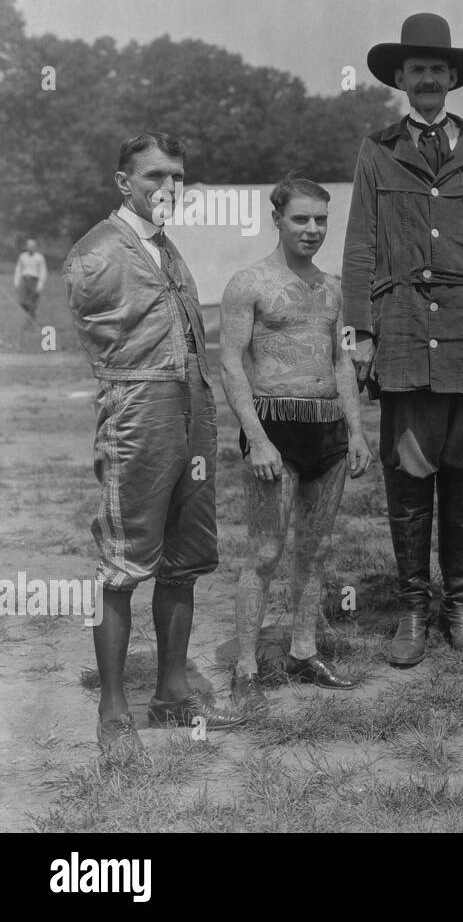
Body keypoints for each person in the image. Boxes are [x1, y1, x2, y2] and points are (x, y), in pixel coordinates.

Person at [342, 13, 463, 665]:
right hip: (403, 335)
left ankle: (459, 604)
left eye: (436, 69)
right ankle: (414, 609)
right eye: (414, 69)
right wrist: (360, 333)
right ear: (400, 78)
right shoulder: (377, 149)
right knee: (409, 475)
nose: (426, 79)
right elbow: (360, 243)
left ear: (452, 78)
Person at [64, 132, 244, 756]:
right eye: (155, 176)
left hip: (192, 408)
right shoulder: (98, 249)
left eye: (178, 178)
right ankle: (114, 711)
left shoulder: (169, 249)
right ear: (124, 182)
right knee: (124, 559)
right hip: (139, 409)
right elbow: (99, 330)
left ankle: (171, 693)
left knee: (185, 557)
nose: (169, 188)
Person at [221, 176, 374, 713]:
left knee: (317, 548)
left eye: (321, 220)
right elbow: (231, 363)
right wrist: (257, 439)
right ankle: (245, 667)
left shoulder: (334, 289)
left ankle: (303, 651)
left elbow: (341, 363)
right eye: (301, 219)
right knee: (265, 551)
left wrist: (356, 431)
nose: (312, 230)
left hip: (328, 426)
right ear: (278, 220)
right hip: (274, 427)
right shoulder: (249, 282)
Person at [14, 238, 47, 319]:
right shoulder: (22, 256)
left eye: (32, 246)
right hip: (24, 280)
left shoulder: (40, 257)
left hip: (34, 280)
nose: (30, 248)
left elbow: (43, 272)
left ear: (35, 247)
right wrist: (16, 282)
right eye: (29, 246)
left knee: (32, 302)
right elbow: (18, 269)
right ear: (26, 247)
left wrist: (40, 285)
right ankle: (30, 313)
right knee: (21, 301)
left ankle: (31, 320)